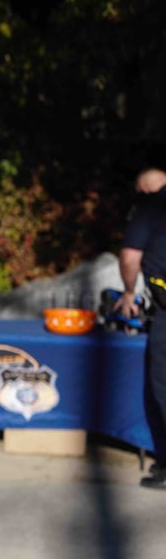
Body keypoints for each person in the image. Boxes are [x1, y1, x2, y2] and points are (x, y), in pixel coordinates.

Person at [114, 166, 166, 489]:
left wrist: (129, 292)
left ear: (144, 191)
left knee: (163, 385)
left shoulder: (152, 208)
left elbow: (130, 256)